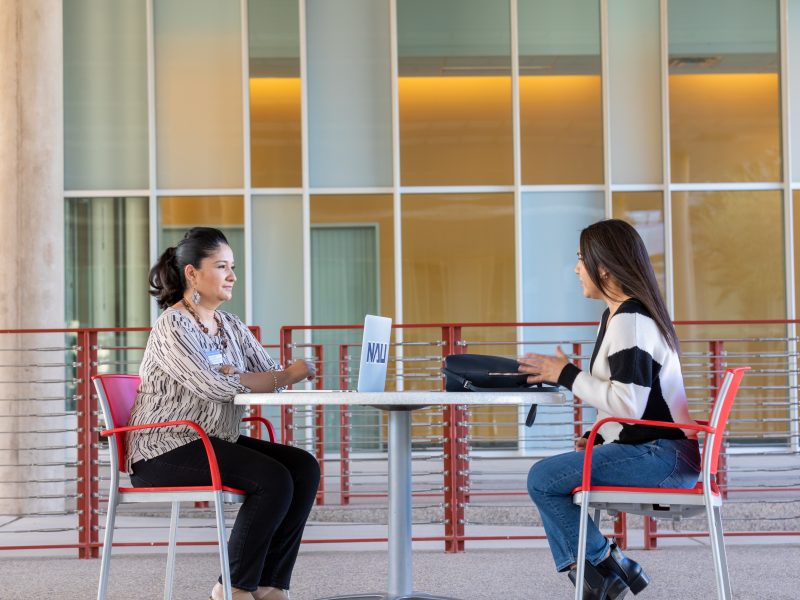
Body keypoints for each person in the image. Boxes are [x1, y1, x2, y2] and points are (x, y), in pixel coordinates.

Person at [126, 227, 319, 600]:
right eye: (221, 266)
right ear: (192, 274)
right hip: (163, 448)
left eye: (232, 267)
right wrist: (277, 374)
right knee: (273, 479)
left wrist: (247, 375)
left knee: (303, 467)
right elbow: (217, 386)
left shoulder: (230, 325)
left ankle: (270, 584)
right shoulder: (172, 326)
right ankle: (233, 589)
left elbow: (270, 380)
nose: (232, 275)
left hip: (209, 440)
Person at [519, 219, 701, 600]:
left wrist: (566, 374)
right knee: (550, 479)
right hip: (654, 450)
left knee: (542, 479)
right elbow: (636, 403)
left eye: (581, 260)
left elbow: (629, 402)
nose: (576, 269)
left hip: (662, 456)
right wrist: (598, 436)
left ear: (604, 267)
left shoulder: (631, 319)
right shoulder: (617, 317)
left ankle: (606, 566)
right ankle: (603, 574)